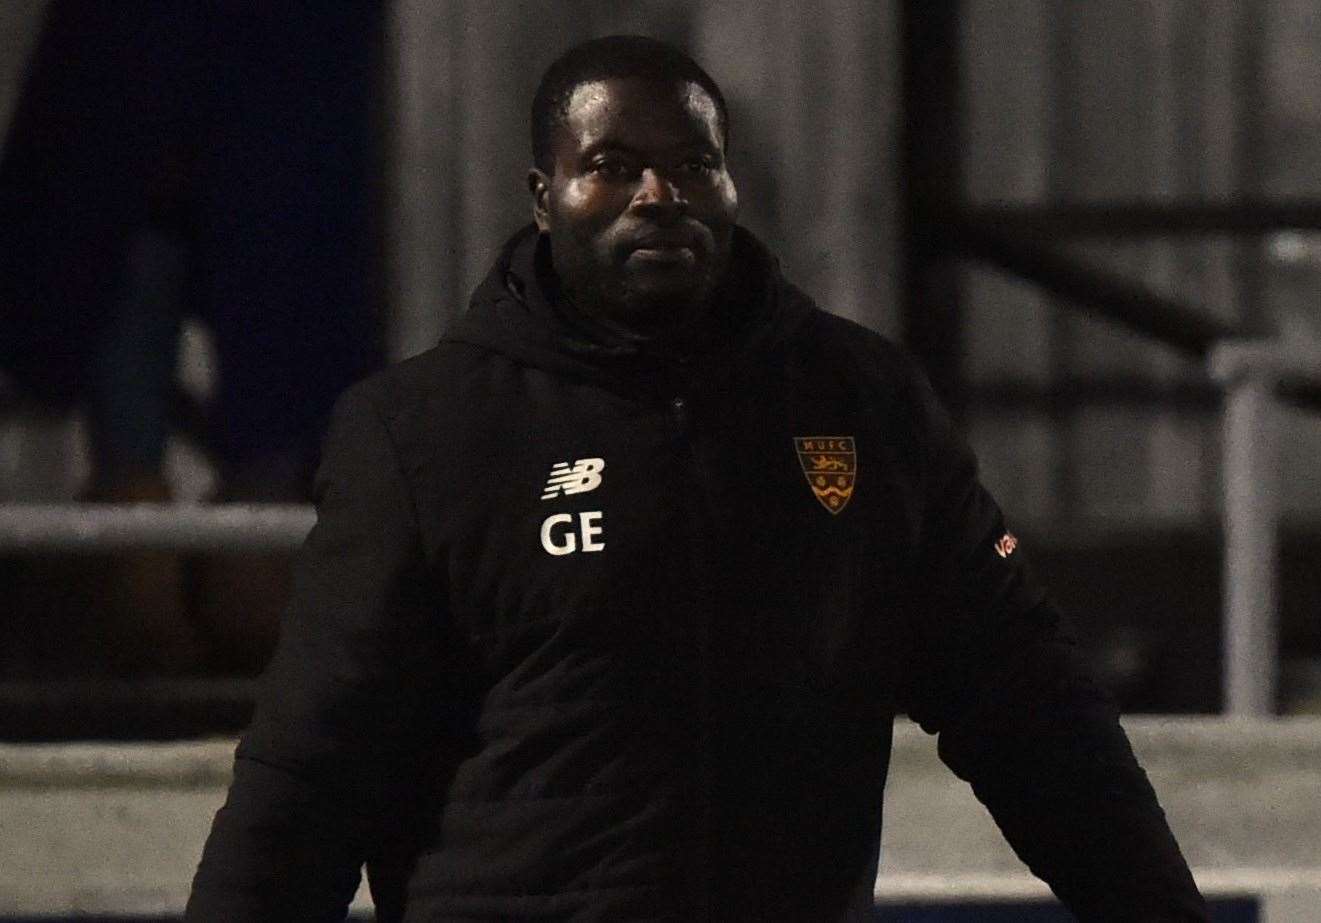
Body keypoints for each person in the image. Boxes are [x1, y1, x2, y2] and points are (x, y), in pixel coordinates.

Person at [186, 35, 1209, 922]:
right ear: (543, 197)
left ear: (730, 186)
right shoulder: (425, 433)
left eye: (692, 165)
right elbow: (312, 770)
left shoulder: (863, 404)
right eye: (613, 165)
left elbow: (1029, 706)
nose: (657, 195)